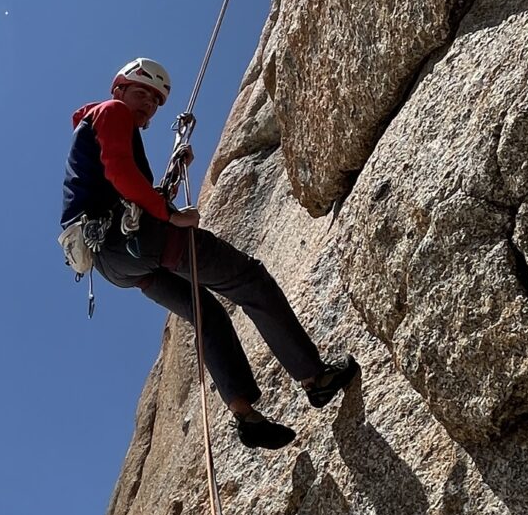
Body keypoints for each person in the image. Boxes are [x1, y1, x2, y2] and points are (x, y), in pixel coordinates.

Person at [60, 57, 357, 448]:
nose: (147, 104)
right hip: (134, 239)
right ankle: (315, 377)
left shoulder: (95, 131)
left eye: (155, 100)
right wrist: (168, 212)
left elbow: (120, 185)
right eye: (141, 93)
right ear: (118, 90)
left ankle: (245, 416)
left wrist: (171, 175)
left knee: (206, 313)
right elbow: (119, 171)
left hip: (115, 263)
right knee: (248, 280)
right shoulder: (111, 111)